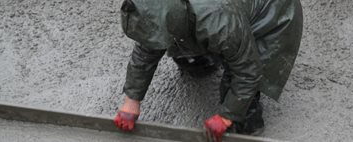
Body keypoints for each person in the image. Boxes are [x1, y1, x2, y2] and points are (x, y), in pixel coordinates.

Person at [113, 0, 303, 141]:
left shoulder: (220, 21)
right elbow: (146, 50)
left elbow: (248, 71)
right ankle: (202, 61)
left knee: (238, 88)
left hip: (271, 12)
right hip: (217, 18)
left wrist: (227, 116)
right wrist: (132, 100)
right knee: (179, 46)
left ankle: (247, 124)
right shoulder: (158, 9)